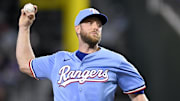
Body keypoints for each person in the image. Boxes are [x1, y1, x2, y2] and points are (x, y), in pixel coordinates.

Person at [16, 4, 149, 101]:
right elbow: (25, 64)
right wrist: (24, 27)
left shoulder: (116, 61)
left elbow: (138, 97)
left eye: (99, 24)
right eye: (90, 23)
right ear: (77, 29)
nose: (95, 27)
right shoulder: (58, 60)